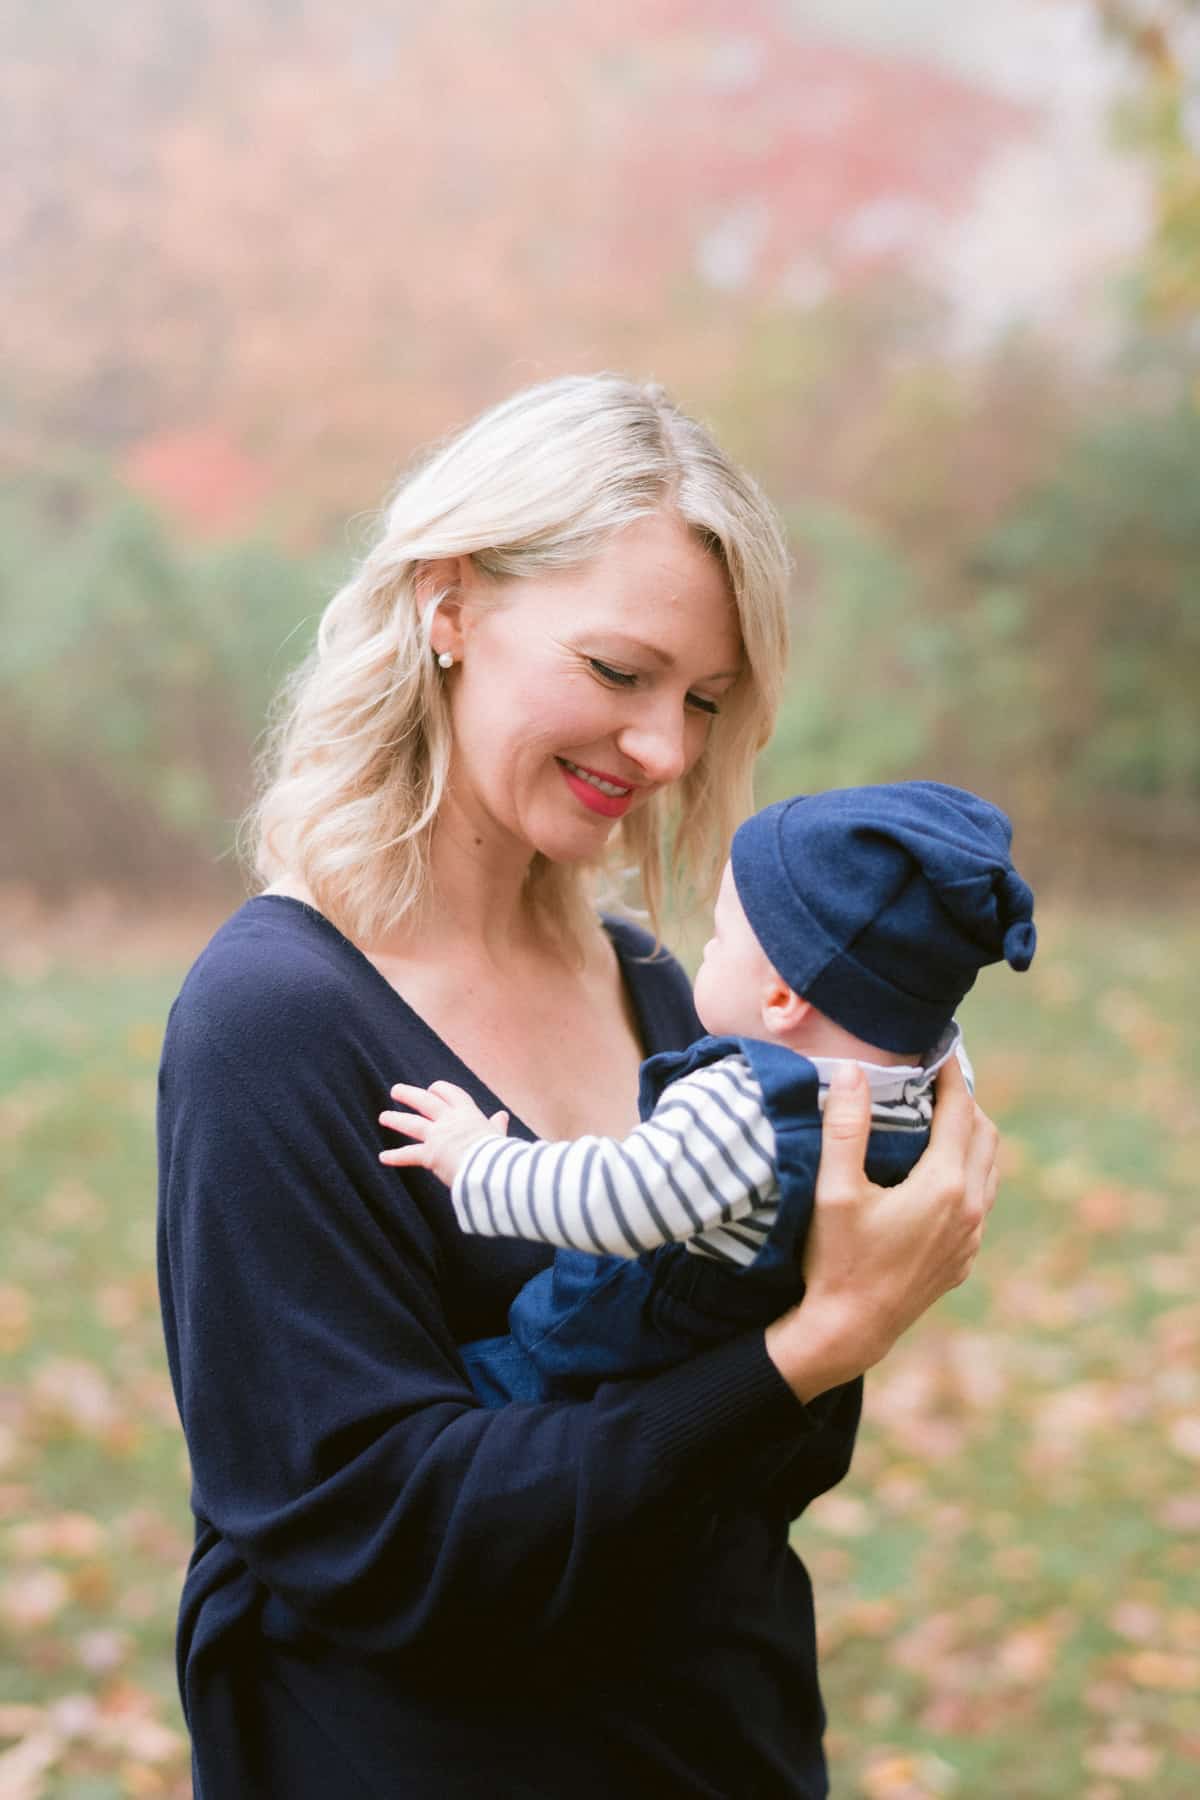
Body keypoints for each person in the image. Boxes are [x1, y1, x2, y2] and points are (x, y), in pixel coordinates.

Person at [156, 374, 999, 1800]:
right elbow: (381, 1548)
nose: (667, 750)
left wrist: (852, 1251)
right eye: (620, 674)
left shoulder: (659, 993)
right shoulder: (274, 1025)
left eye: (705, 700)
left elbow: (758, 1483)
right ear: (450, 605)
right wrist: (816, 1341)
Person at [379, 780, 1035, 1406]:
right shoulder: (930, 1090)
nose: (708, 949)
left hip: (589, 1364)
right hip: (743, 1376)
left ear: (780, 997)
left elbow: (613, 1200)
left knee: (451, 1406)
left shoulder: (745, 1109)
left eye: (722, 939)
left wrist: (475, 1159)